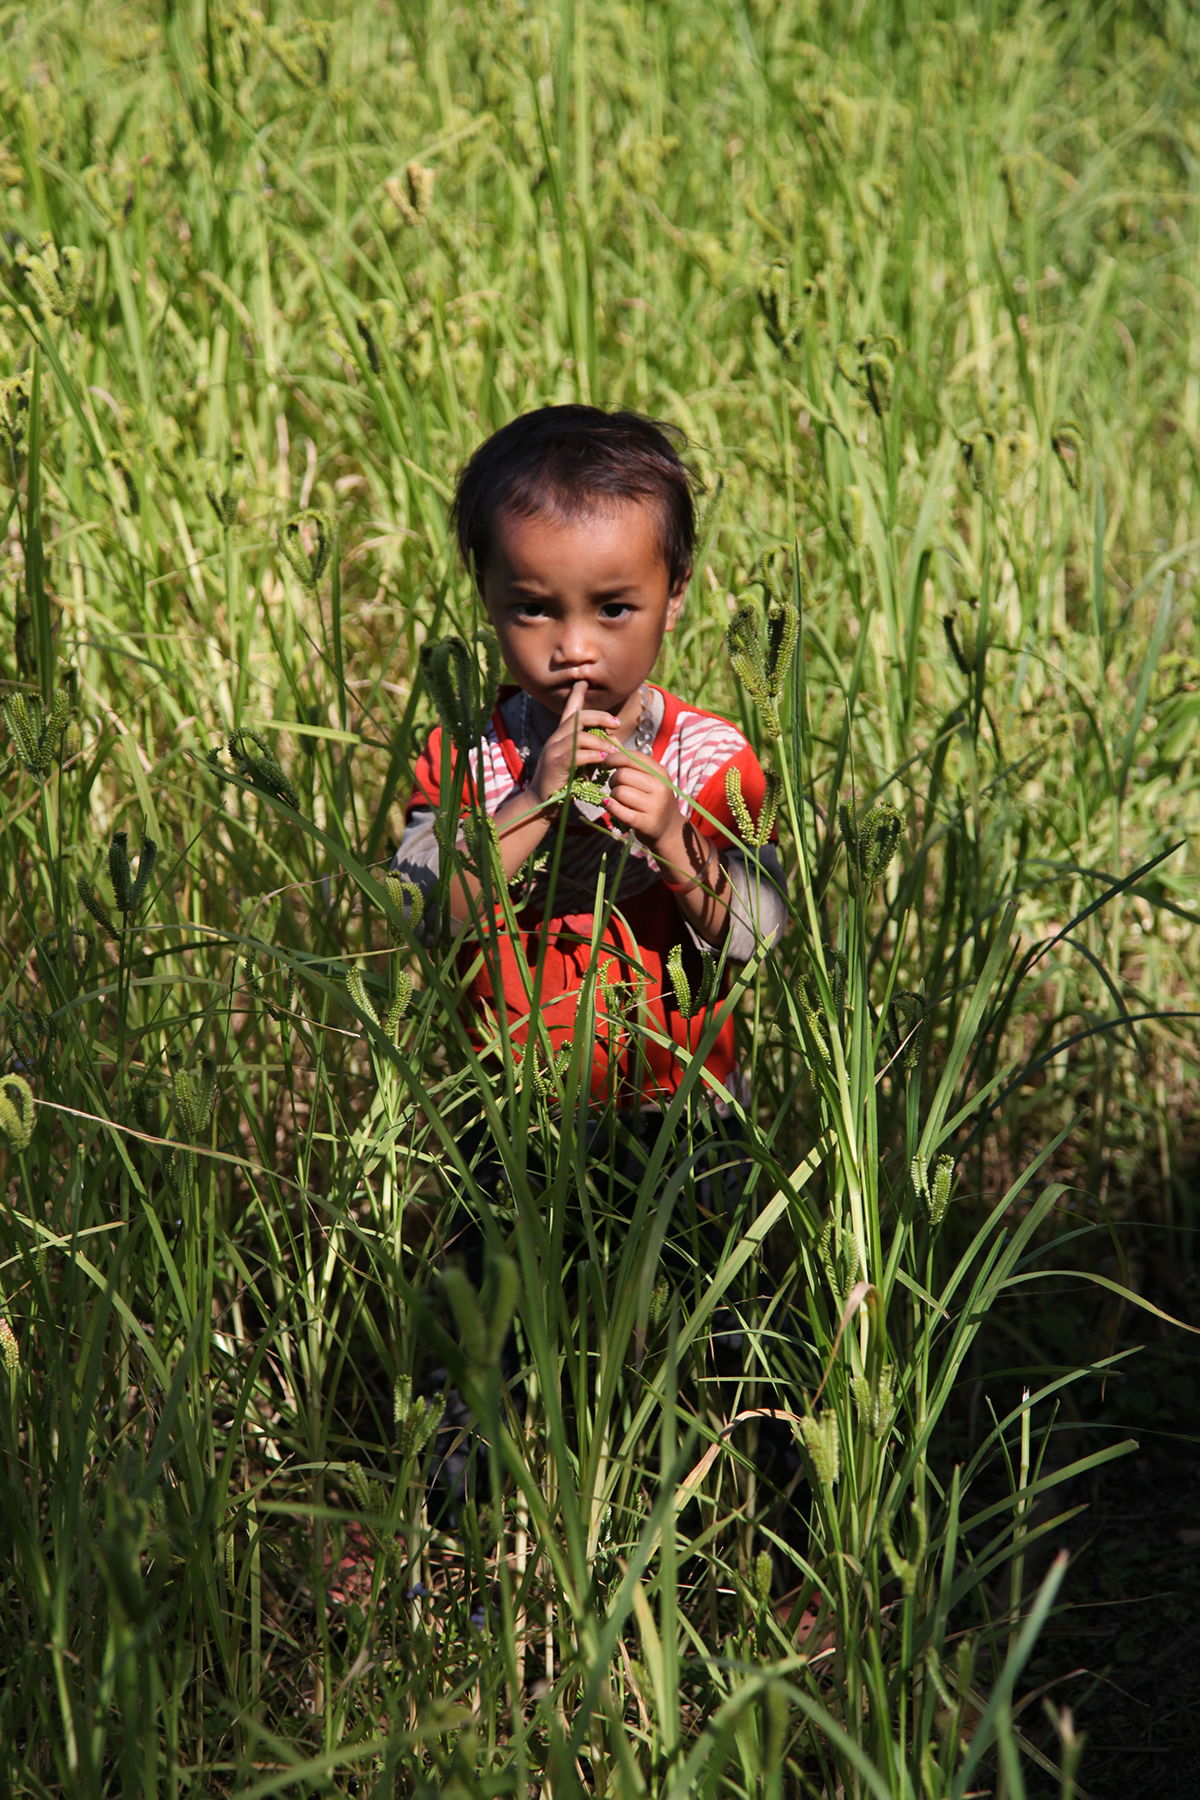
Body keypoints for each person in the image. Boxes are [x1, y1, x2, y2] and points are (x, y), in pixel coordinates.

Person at [393, 404, 787, 1109]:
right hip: (504, 1115)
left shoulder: (710, 759)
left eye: (612, 609)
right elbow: (423, 911)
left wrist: (674, 838)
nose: (574, 646)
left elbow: (759, 930)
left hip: (681, 1109)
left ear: (674, 596)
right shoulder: (465, 756)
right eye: (535, 609)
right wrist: (529, 803)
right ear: (487, 596)